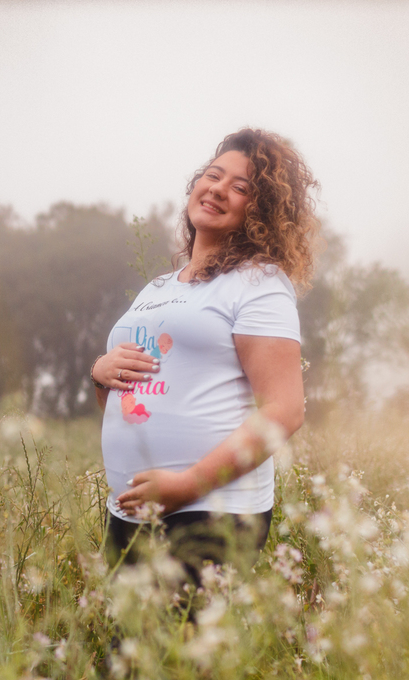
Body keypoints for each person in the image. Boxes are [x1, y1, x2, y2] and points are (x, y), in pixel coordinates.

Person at [90, 128, 320, 585]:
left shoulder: (259, 283)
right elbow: (135, 396)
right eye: (213, 175)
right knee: (128, 655)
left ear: (262, 212)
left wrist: (187, 485)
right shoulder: (158, 287)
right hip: (134, 510)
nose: (218, 188)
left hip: (210, 510)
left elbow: (285, 410)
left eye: (241, 187)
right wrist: (100, 374)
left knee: (176, 655)